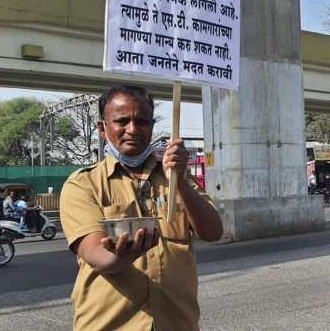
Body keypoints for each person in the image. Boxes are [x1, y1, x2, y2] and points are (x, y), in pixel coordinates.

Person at [60, 85, 223, 330]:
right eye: (122, 121)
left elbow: (213, 232)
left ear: (151, 127)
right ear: (103, 129)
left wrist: (180, 183)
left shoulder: (176, 178)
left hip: (177, 323)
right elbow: (97, 256)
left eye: (142, 121)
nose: (133, 130)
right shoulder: (83, 184)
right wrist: (122, 255)